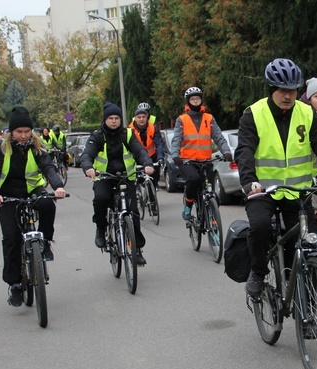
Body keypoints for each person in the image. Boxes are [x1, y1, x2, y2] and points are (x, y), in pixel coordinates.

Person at [235, 58, 317, 296]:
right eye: (282, 90)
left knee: (306, 247)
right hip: (264, 191)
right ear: (271, 89)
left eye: (292, 90)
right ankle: (257, 272)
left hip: (299, 192)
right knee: (258, 227)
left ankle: (305, 308)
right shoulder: (254, 114)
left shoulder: (307, 113)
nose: (288, 95)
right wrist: (248, 182)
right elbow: (245, 150)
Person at [0, 107, 66, 307]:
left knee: (47, 204)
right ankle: (14, 283)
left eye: (27, 131)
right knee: (11, 237)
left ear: (32, 131)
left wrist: (58, 186)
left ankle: (45, 242)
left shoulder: (36, 146)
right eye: (19, 132)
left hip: (32, 189)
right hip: (7, 195)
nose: (23, 135)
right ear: (11, 132)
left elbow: (48, 167)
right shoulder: (0, 147)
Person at [81, 102, 154, 265]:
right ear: (105, 120)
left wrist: (147, 163)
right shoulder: (98, 136)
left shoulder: (127, 134)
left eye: (117, 118)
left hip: (126, 178)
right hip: (104, 178)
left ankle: (136, 249)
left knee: (133, 212)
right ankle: (101, 228)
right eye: (110, 118)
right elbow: (87, 155)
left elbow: (139, 151)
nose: (114, 121)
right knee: (100, 199)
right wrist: (88, 168)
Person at [170, 87, 233, 220]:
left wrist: (226, 152)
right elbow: (176, 139)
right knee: (193, 179)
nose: (195, 101)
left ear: (201, 100)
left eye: (197, 98)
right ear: (188, 101)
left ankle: (210, 212)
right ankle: (188, 206)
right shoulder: (182, 120)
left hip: (205, 160)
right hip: (187, 161)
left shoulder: (209, 118)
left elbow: (219, 137)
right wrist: (175, 155)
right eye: (192, 99)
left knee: (210, 190)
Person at [129, 102, 165, 193]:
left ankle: (153, 189)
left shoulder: (153, 127)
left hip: (152, 156)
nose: (141, 119)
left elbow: (159, 143)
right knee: (138, 178)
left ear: (147, 117)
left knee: (155, 176)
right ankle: (138, 190)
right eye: (139, 117)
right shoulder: (130, 129)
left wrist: (160, 157)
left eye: (143, 117)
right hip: (137, 157)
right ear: (135, 118)